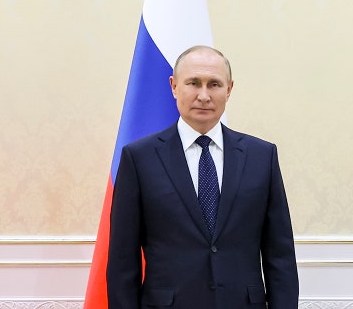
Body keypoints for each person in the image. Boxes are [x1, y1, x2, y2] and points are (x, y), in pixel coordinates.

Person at [106, 45, 299, 308]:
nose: (204, 95)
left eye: (215, 84)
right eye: (194, 83)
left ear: (229, 89)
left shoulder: (261, 156)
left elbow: (281, 258)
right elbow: (122, 262)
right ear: (174, 86)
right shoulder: (139, 158)